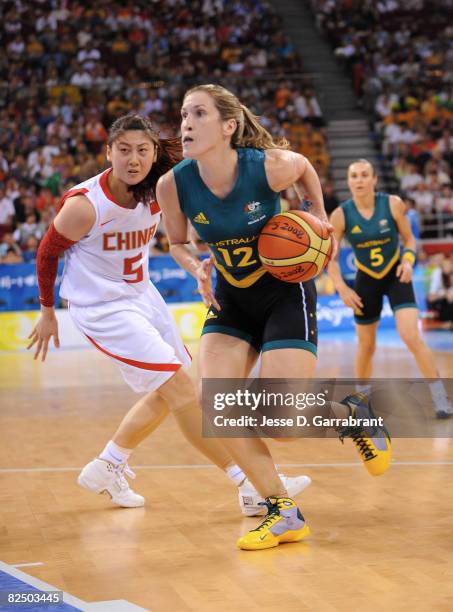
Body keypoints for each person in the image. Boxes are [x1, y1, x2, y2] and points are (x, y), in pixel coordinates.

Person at [26, 112, 310, 531]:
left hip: (144, 296)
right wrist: (48, 311)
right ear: (109, 153)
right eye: (123, 150)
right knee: (183, 391)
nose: (133, 159)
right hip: (103, 308)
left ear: (154, 153)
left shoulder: (159, 190)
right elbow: (47, 253)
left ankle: (109, 464)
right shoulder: (85, 206)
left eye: (142, 150)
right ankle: (247, 483)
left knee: (173, 389)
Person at [156, 85, 392, 550]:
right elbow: (176, 242)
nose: (185, 123)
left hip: (285, 294)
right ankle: (283, 511)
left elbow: (304, 168)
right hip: (230, 300)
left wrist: (318, 218)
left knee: (282, 423)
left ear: (228, 126)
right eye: (183, 114)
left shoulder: (265, 166)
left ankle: (353, 414)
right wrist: (196, 267)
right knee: (216, 407)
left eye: (198, 114)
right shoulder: (173, 184)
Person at [328, 159, 453, 419]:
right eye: (354, 176)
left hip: (396, 274)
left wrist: (408, 262)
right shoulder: (340, 215)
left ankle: (440, 396)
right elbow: (330, 256)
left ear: (374, 180)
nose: (359, 180)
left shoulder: (393, 204)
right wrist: (340, 286)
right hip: (366, 280)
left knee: (411, 336)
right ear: (348, 181)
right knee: (367, 345)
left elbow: (409, 239)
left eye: (364, 175)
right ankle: (361, 399)